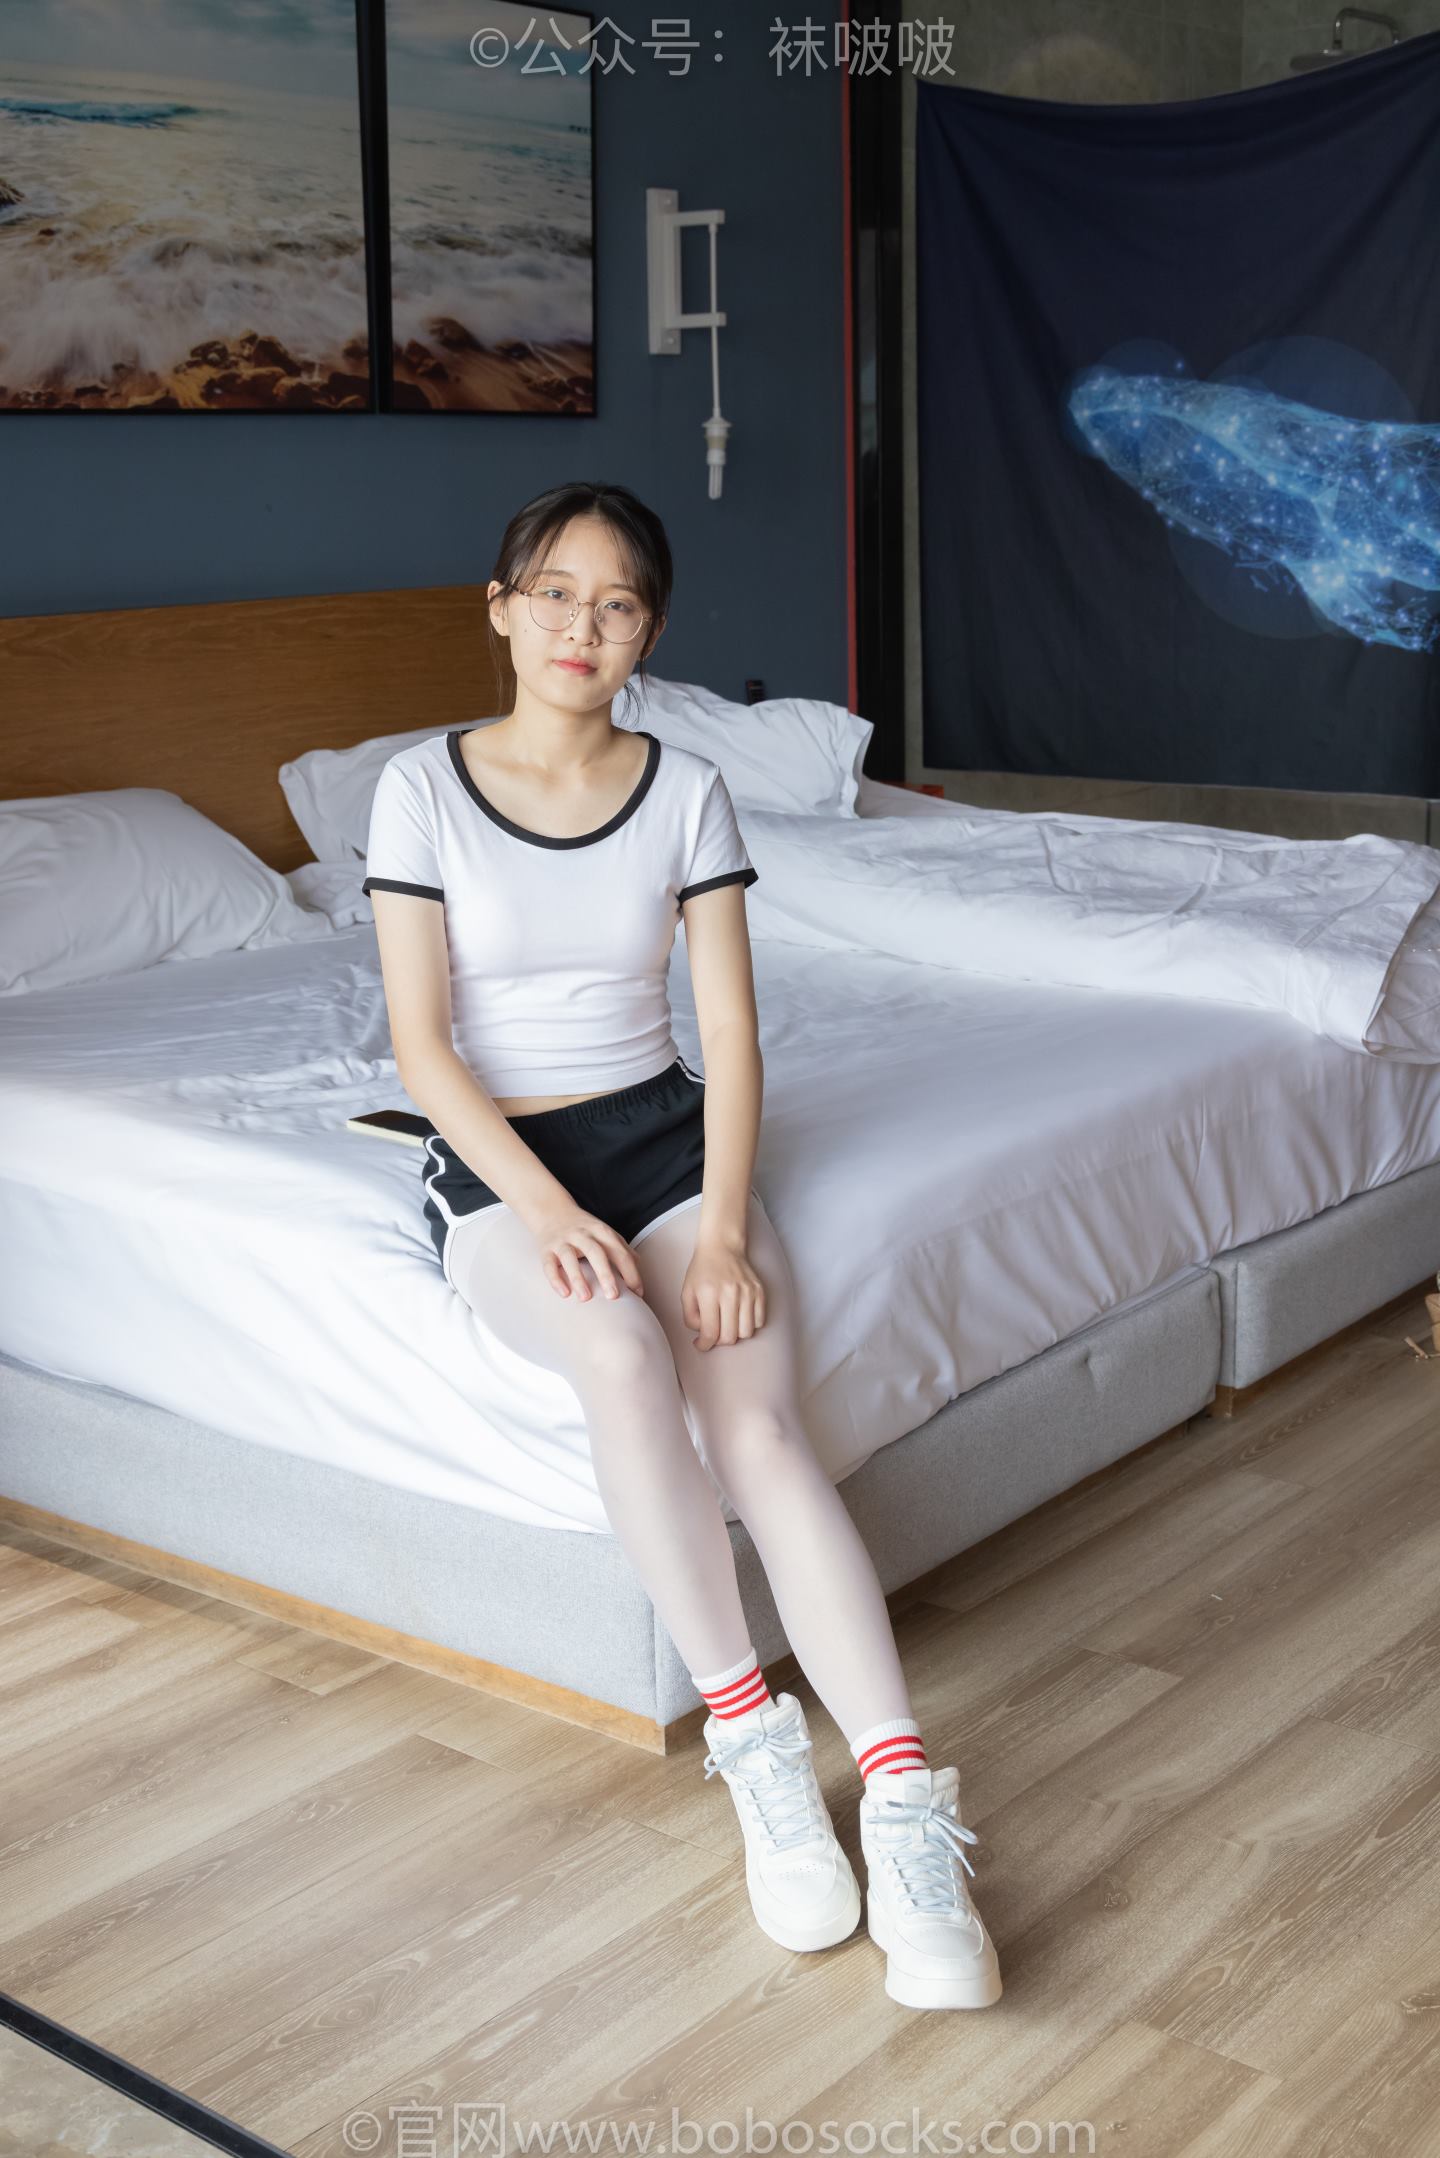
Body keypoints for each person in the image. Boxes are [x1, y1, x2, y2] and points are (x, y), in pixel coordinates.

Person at [363, 479, 1001, 2012]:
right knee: (618, 1350)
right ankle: (754, 1741)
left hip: (665, 1135)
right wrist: (547, 1209)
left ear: (649, 630)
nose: (581, 626)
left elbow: (730, 1030)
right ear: (501, 606)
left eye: (618, 602)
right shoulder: (418, 788)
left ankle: (905, 1802)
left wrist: (719, 1228)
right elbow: (423, 1046)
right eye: (554, 592)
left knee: (760, 1429)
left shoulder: (686, 788)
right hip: (507, 1163)